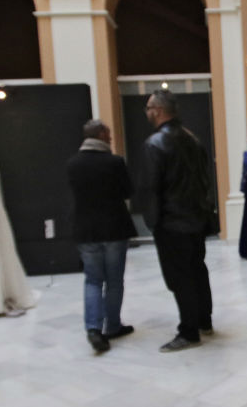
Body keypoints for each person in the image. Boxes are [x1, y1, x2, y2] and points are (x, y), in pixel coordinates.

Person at [137, 90, 214, 352]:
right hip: (195, 220)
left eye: (149, 108)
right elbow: (204, 180)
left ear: (158, 111)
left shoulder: (155, 144)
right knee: (197, 270)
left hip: (171, 223)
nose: (147, 112)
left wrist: (153, 222)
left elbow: (151, 188)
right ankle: (204, 320)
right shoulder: (193, 139)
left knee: (180, 278)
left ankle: (189, 332)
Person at [66, 119, 136, 354]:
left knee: (93, 280)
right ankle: (113, 325)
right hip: (114, 228)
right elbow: (127, 191)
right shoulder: (115, 162)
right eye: (108, 133)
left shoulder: (73, 164)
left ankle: (94, 329)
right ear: (101, 135)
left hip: (85, 230)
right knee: (114, 280)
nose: (111, 137)